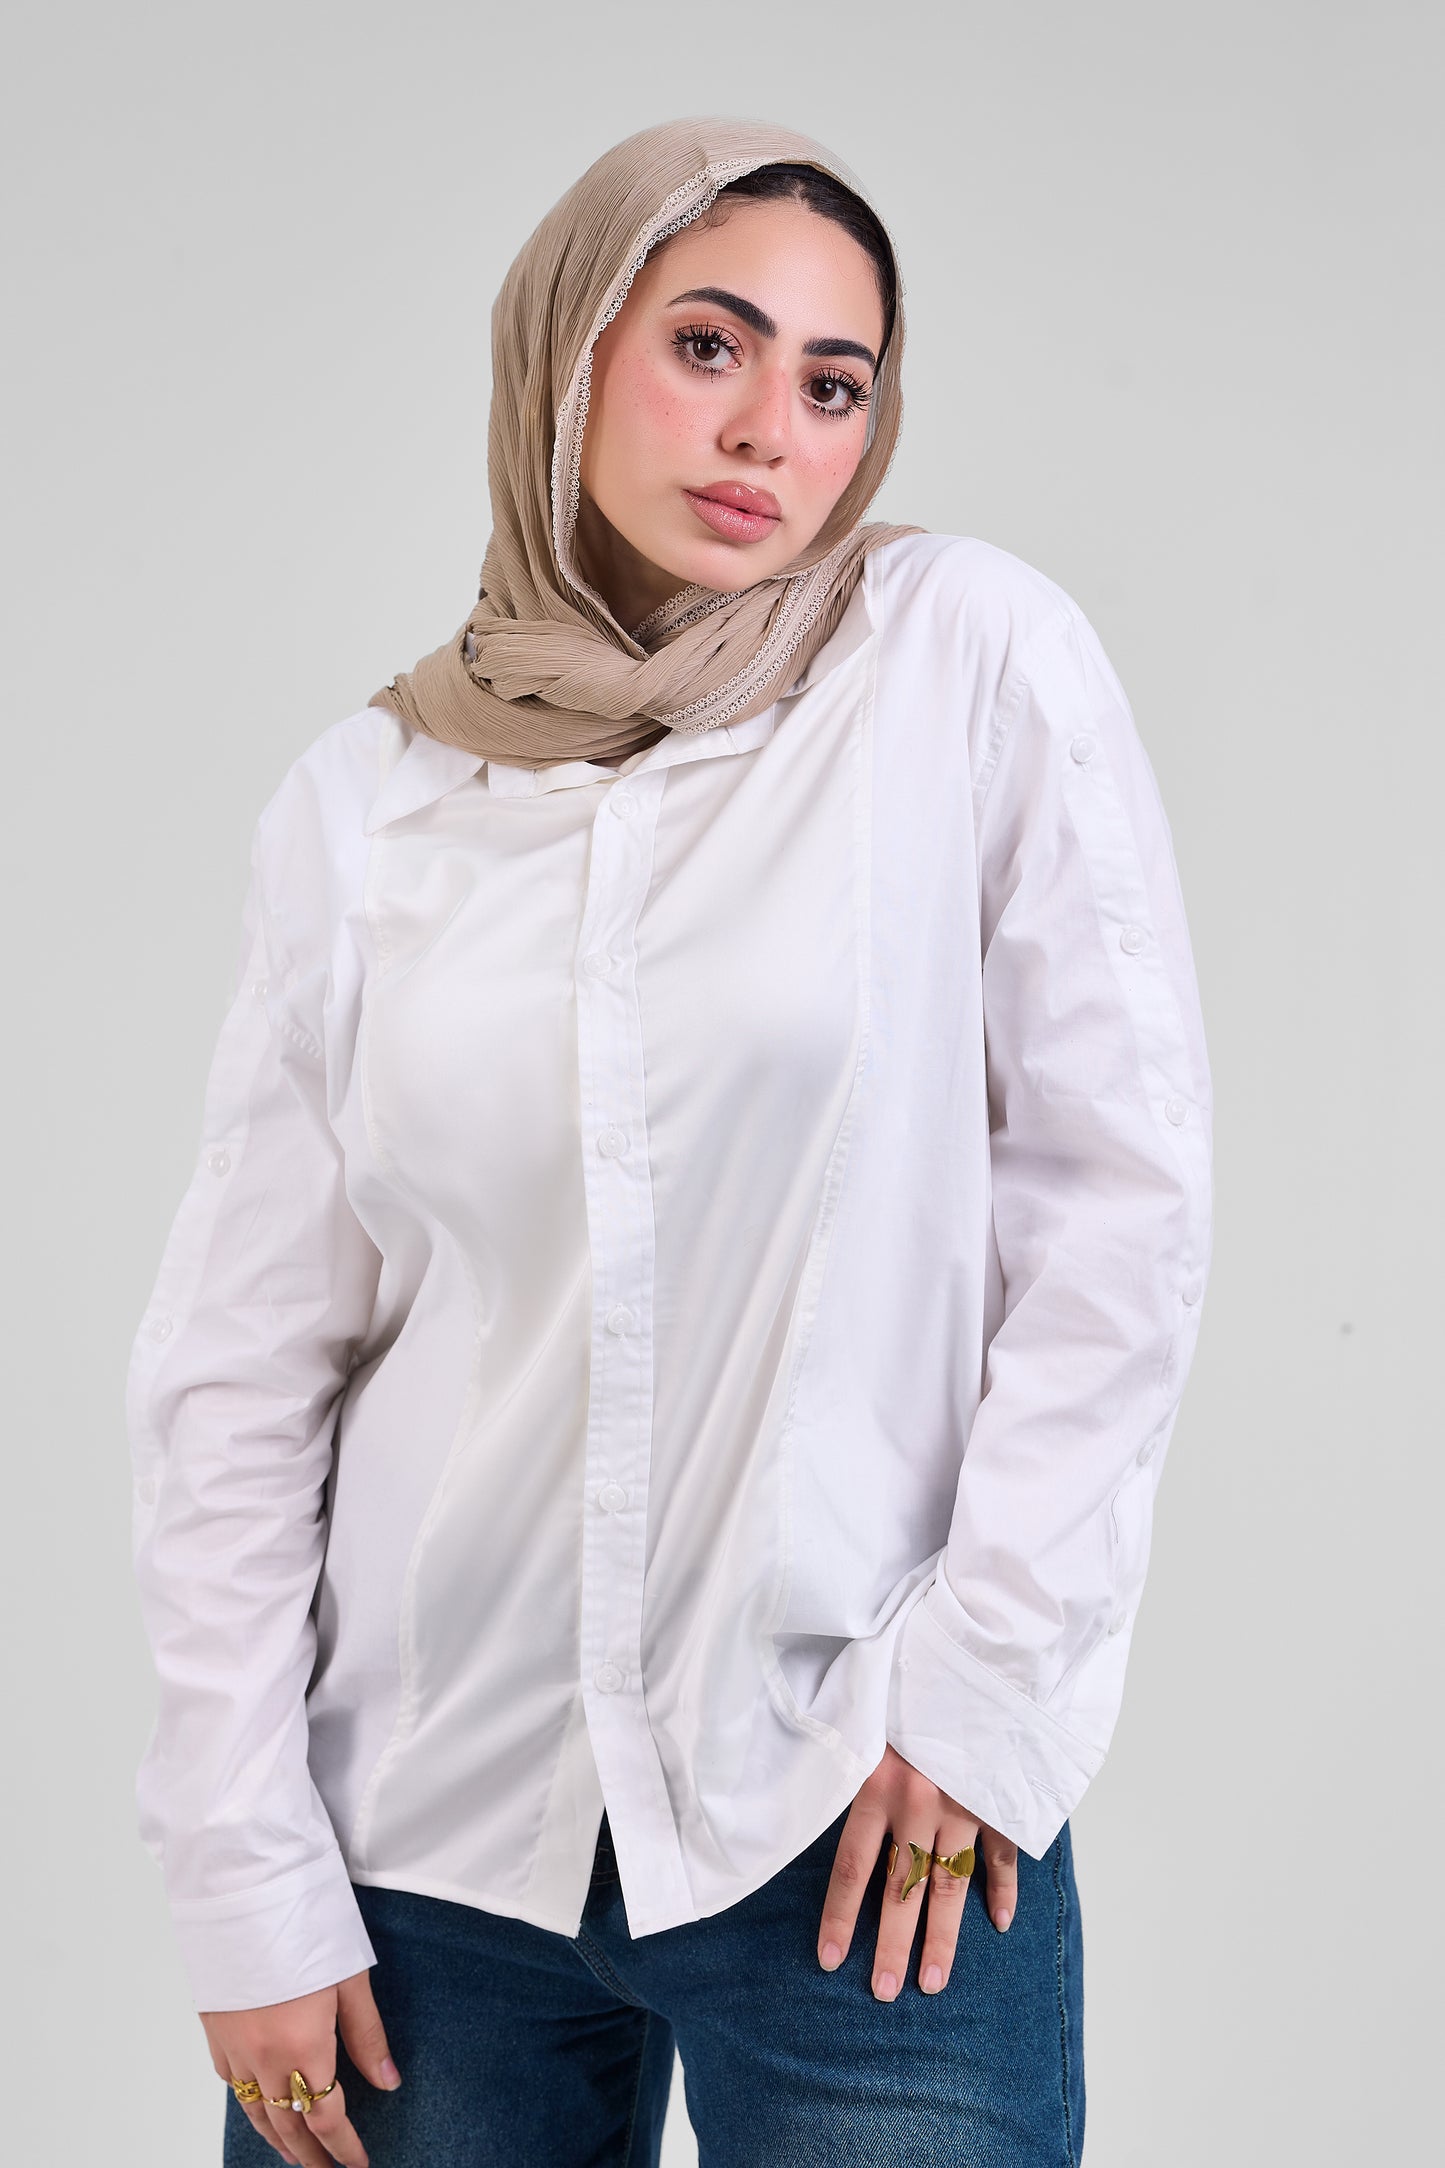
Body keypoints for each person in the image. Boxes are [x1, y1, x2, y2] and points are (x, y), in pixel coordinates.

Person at [127, 116, 1213, 2168]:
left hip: (857, 1822)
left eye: (833, 383)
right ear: (570, 352)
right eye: (708, 345)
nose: (768, 431)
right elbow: (244, 1370)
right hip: (422, 1850)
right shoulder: (370, 803)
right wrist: (240, 1862)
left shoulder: (959, 663)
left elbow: (1116, 1210)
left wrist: (984, 1698)